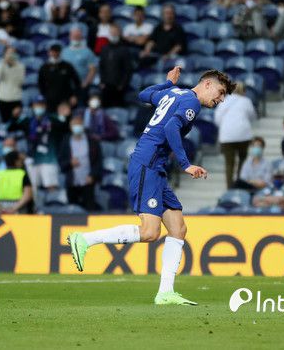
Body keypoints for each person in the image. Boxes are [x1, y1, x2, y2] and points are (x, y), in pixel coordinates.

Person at [68, 66, 235, 305]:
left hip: (154, 166)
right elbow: (170, 127)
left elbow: (144, 94)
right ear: (207, 84)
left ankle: (165, 292)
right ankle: (85, 239)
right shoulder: (192, 102)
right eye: (220, 93)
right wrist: (186, 164)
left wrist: (167, 84)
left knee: (178, 228)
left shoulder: (173, 93)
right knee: (150, 232)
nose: (220, 99)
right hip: (148, 164)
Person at [7, 96, 67, 191]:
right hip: (32, 159)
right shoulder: (28, 121)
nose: (39, 107)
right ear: (33, 106)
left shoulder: (53, 119)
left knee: (51, 187)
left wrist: (65, 116)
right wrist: (14, 116)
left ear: (45, 106)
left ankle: (52, 201)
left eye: (41, 104)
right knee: (33, 188)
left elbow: (65, 127)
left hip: (49, 159)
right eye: (37, 104)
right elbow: (10, 128)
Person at [214, 83, 256, 189]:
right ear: (244, 91)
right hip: (243, 135)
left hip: (227, 136)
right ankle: (240, 186)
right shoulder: (246, 101)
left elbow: (217, 119)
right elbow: (253, 117)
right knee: (243, 161)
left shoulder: (224, 101)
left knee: (229, 164)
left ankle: (230, 188)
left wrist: (225, 128)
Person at [58, 114, 102, 210]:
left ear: (83, 126)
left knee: (89, 209)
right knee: (73, 210)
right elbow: (61, 162)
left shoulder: (92, 141)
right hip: (72, 183)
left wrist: (92, 175)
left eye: (79, 124)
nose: (77, 127)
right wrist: (70, 163)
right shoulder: (65, 141)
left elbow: (98, 161)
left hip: (88, 182)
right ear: (70, 127)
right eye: (74, 125)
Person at [38, 43, 81, 112]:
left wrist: (74, 96)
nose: (55, 54)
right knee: (52, 117)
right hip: (50, 99)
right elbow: (40, 83)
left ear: (60, 52)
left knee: (65, 117)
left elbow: (77, 82)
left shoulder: (67, 66)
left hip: (65, 98)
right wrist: (45, 95)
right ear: (49, 53)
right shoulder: (44, 67)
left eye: (57, 51)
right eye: (53, 51)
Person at [99, 24, 133, 108]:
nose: (113, 35)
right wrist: (102, 81)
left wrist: (123, 84)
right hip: (106, 85)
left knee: (118, 109)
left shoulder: (124, 50)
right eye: (112, 33)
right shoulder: (104, 49)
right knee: (105, 108)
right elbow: (101, 66)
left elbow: (128, 69)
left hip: (119, 87)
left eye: (115, 33)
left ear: (119, 34)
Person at [61, 27, 98, 97]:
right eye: (74, 36)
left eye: (78, 36)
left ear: (81, 37)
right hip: (67, 87)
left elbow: (92, 70)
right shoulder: (64, 52)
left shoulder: (88, 52)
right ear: (70, 37)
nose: (76, 38)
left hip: (82, 86)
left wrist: (86, 82)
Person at [0, 46, 25, 122]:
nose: (11, 55)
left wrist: (14, 66)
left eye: (13, 53)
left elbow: (21, 82)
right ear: (4, 54)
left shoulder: (20, 66)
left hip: (15, 98)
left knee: (16, 122)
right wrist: (4, 63)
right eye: (8, 53)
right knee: (4, 122)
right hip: (2, 98)